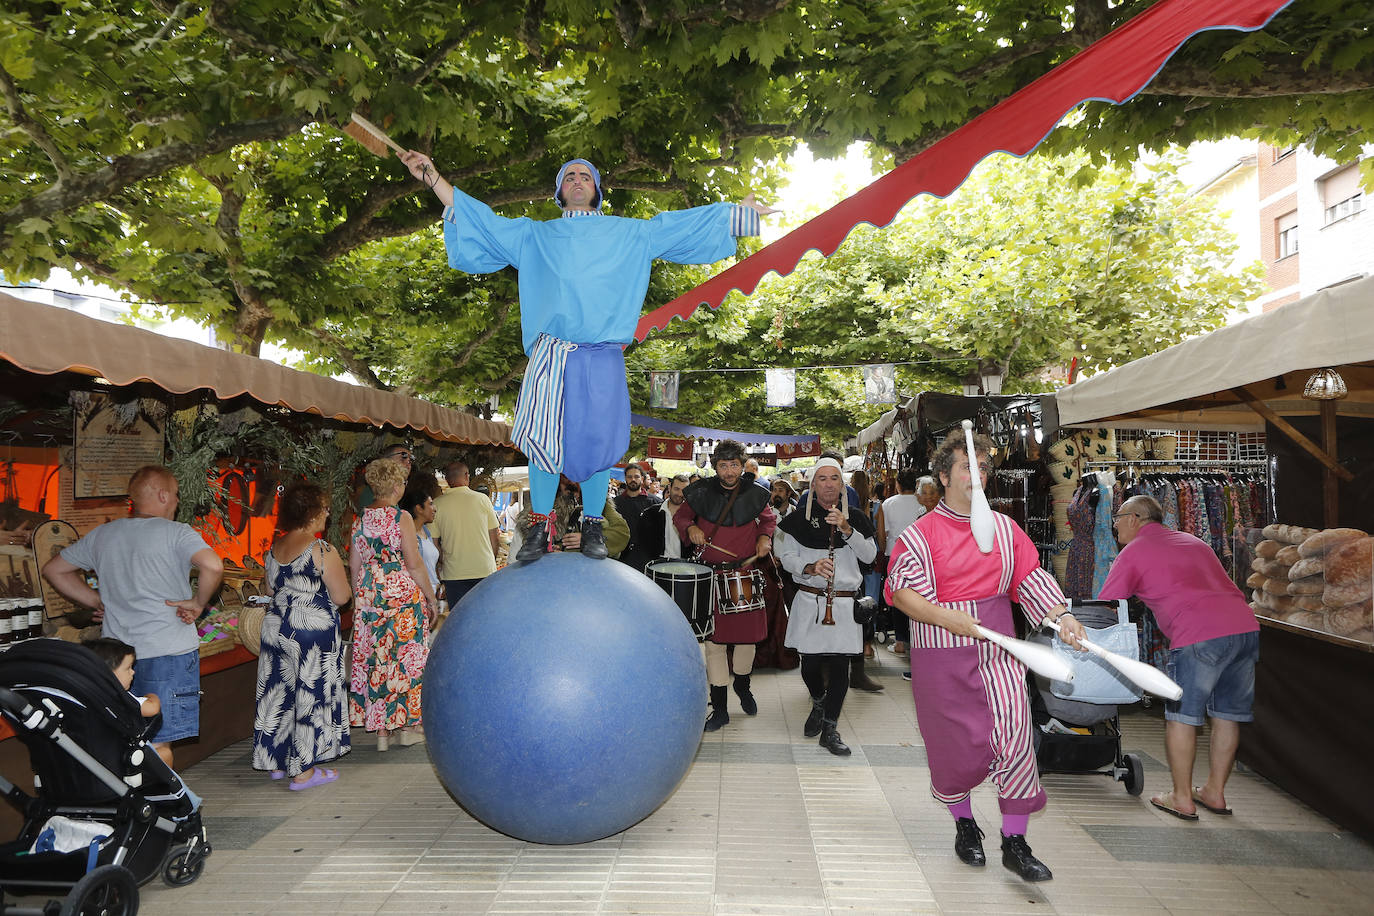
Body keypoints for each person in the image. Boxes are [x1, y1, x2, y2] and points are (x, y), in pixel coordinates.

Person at [398, 148, 775, 562]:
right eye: (569, 175)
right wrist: (432, 177)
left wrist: (737, 214)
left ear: (596, 190)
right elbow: (483, 222)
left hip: (602, 356)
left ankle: (594, 526)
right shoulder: (534, 236)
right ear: (560, 191)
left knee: (599, 442)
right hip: (551, 353)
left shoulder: (627, 232)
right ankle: (540, 527)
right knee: (544, 439)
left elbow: (674, 229)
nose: (577, 179)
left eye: (586, 176)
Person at [886, 431, 1085, 883]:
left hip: (999, 649)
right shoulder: (920, 534)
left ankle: (1015, 841)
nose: (976, 477)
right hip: (942, 655)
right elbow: (900, 592)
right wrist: (944, 617)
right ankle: (965, 825)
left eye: (981, 469)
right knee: (953, 748)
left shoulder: (1004, 527)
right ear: (944, 475)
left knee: (1016, 739)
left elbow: (1029, 579)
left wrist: (1062, 618)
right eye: (965, 469)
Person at [43, 465, 222, 768]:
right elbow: (214, 566)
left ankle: (129, 802)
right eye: (176, 495)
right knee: (159, 741)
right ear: (163, 495)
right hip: (168, 651)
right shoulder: (177, 533)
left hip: (116, 657)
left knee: (124, 737)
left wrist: (96, 600)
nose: (177, 502)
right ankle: (160, 805)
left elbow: (53, 569)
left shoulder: (103, 534)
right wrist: (198, 602)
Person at [1097, 494, 1260, 821]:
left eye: (1117, 518)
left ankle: (1182, 797)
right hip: (1244, 628)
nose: (1114, 525)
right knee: (1226, 714)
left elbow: (1105, 607)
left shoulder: (1133, 552)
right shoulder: (1193, 541)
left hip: (1198, 635)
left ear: (1135, 519)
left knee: (1181, 716)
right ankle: (1214, 791)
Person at [252, 482, 352, 789]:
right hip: (310, 632)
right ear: (311, 513)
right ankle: (304, 771)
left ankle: (278, 761)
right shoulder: (322, 551)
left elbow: (270, 590)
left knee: (278, 692)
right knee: (311, 695)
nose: (327, 514)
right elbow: (342, 596)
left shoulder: (275, 547)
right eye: (325, 509)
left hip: (275, 626)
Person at [776, 460, 878, 755]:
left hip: (844, 604)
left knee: (839, 667)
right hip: (810, 600)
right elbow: (785, 556)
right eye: (822, 478)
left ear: (842, 484)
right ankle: (818, 701)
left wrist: (848, 530)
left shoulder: (856, 517)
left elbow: (870, 556)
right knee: (809, 665)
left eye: (835, 478)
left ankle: (830, 728)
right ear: (813, 484)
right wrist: (809, 566)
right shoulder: (795, 521)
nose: (829, 484)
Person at [675, 440, 777, 731]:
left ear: (743, 464)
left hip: (743, 573)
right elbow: (681, 517)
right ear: (715, 466)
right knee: (714, 644)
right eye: (723, 465)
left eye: (735, 465)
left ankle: (743, 686)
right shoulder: (700, 491)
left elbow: (767, 521)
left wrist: (764, 537)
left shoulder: (758, 493)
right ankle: (719, 708)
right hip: (710, 577)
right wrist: (691, 528)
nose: (730, 471)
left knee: (747, 640)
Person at [349, 457, 436, 752]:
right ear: (397, 486)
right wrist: (432, 597)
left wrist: (359, 599)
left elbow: (353, 565)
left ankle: (382, 732)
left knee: (377, 659)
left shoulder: (360, 519)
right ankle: (409, 727)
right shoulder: (402, 518)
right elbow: (414, 564)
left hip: (370, 595)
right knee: (407, 660)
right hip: (400, 595)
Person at [86, 637, 171, 767]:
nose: (133, 672)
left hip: (90, 755)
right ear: (108, 674)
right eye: (128, 668)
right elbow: (152, 708)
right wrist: (152, 695)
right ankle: (167, 787)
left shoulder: (83, 693)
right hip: (119, 758)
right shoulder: (119, 697)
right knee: (164, 753)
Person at [509, 475, 630, 558]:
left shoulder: (599, 503)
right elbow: (523, 545)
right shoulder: (540, 508)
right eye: (566, 476)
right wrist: (548, 551)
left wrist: (588, 539)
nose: (571, 480)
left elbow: (622, 532)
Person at [432, 461, 500, 608]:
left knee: (460, 620)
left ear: (447, 480)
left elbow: (433, 543)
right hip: (484, 569)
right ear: (467, 476)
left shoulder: (437, 504)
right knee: (485, 615)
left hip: (454, 573)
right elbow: (494, 537)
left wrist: (445, 560)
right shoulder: (482, 499)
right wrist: (489, 560)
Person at [877, 470, 926, 658]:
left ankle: (899, 641)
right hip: (918, 556)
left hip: (895, 555)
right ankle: (917, 640)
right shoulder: (922, 502)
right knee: (919, 596)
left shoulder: (887, 504)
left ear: (897, 484)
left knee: (897, 598)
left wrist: (884, 550)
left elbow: (882, 534)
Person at [400, 480, 443, 604]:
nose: (434, 509)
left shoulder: (426, 532)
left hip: (432, 594)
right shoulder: (409, 537)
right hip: (420, 596)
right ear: (419, 508)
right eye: (430, 504)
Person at [635, 473, 691, 562]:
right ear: (669, 488)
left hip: (684, 568)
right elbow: (641, 545)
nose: (680, 494)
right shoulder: (650, 514)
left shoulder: (693, 516)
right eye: (677, 489)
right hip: (656, 568)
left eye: (684, 490)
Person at [615, 464, 661, 571]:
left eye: (636, 477)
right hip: (622, 557)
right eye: (629, 477)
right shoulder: (615, 503)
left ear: (642, 479)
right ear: (625, 479)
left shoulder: (656, 503)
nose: (633, 480)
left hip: (648, 558)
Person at [357, 444, 414, 510]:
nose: (408, 463)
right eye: (403, 457)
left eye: (410, 460)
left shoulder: (392, 494)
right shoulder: (374, 491)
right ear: (386, 460)